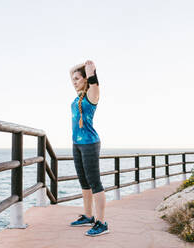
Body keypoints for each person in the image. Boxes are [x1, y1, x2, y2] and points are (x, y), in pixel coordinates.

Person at [69, 60, 109, 237]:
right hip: (77, 144)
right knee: (84, 182)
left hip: (90, 144)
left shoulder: (92, 94)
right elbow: (71, 70)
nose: (74, 81)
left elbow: (93, 82)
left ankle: (101, 223)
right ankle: (88, 216)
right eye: (73, 79)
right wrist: (80, 65)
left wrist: (89, 70)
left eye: (77, 78)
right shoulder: (78, 96)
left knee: (95, 183)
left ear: (86, 79)